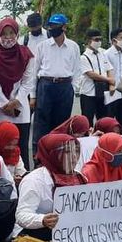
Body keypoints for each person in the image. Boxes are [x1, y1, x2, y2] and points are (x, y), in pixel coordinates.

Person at [11, 133, 122, 242]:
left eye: (76, 151)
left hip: (67, 232)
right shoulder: (33, 181)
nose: (74, 157)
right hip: (39, 231)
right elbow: (21, 216)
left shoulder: (79, 177)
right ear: (52, 155)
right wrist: (43, 220)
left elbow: (92, 211)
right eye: (67, 152)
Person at [0, 18, 36, 168]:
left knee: (21, 148)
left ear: (17, 33)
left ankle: (22, 181)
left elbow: (28, 82)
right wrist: (4, 104)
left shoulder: (27, 54)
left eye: (11, 33)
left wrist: (16, 101)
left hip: (20, 108)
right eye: (4, 33)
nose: (8, 37)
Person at [31, 14, 81, 157]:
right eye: (51, 26)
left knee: (61, 125)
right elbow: (35, 71)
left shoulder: (73, 47)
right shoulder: (43, 46)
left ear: (64, 27)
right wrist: (33, 96)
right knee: (41, 124)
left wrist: (74, 88)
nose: (52, 29)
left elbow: (77, 70)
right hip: (46, 85)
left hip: (65, 86)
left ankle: (58, 157)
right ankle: (39, 158)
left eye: (55, 26)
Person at [79, 28, 114, 126]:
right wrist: (108, 79)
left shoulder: (102, 54)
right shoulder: (83, 57)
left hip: (102, 91)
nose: (98, 42)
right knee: (87, 120)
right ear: (88, 40)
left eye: (100, 39)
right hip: (88, 92)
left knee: (103, 118)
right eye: (96, 40)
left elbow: (109, 68)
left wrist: (111, 84)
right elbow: (90, 74)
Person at [104, 27, 122, 128]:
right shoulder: (107, 54)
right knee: (110, 120)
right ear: (114, 40)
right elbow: (106, 72)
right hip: (112, 92)